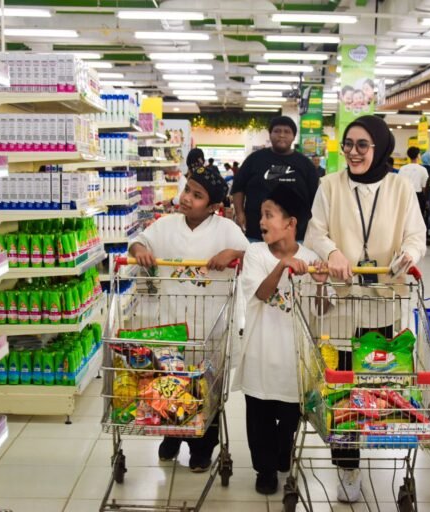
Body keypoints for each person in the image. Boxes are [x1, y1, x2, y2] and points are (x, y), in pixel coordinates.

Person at [304, 115, 426, 503]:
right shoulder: (329, 185)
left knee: (376, 383)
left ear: (380, 148)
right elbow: (315, 230)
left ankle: (372, 442)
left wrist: (408, 254)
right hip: (341, 301)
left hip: (385, 302)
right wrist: (333, 251)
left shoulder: (400, 188)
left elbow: (415, 234)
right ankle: (347, 465)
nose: (354, 153)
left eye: (363, 145)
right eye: (349, 144)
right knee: (341, 387)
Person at [129, 165, 249, 472]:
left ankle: (202, 446)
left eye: (197, 196)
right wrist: (140, 249)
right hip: (170, 322)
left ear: (212, 206)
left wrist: (233, 253)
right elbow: (139, 241)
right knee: (169, 383)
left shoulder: (226, 230)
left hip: (210, 326)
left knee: (206, 389)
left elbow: (251, 257)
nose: (186, 199)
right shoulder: (167, 225)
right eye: (187, 190)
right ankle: (172, 436)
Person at [233, 184, 329, 495]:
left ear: (291, 223)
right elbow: (260, 293)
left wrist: (320, 284)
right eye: (261, 214)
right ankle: (265, 471)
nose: (261, 221)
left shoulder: (312, 257)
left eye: (269, 215)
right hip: (260, 354)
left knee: (289, 417)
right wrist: (281, 266)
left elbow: (323, 309)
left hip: (294, 360)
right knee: (259, 419)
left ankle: (282, 450)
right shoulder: (256, 253)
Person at [232, 116, 319, 242]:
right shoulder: (254, 160)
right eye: (277, 131)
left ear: (294, 137)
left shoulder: (305, 164)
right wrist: (239, 213)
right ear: (270, 134)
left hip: (295, 238)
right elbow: (238, 187)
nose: (282, 135)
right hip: (257, 234)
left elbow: (316, 198)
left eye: (287, 131)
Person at [398, 146, 430, 218]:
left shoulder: (402, 169)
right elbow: (424, 187)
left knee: (405, 217)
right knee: (417, 217)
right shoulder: (422, 169)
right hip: (418, 196)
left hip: (404, 195)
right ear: (418, 155)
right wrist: (426, 199)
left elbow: (399, 183)